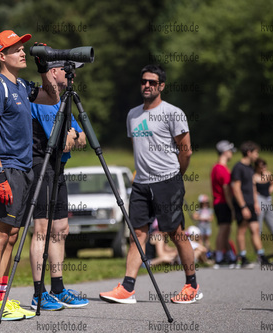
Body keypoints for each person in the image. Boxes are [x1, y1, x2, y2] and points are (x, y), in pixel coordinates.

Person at [99, 64, 202, 305]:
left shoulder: (173, 113)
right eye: (144, 81)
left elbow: (186, 151)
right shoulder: (133, 114)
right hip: (141, 184)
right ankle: (127, 288)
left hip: (168, 181)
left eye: (152, 82)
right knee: (137, 233)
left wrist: (176, 176)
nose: (147, 85)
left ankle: (192, 285)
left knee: (175, 232)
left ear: (161, 86)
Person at [0, 30, 59, 321]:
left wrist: (44, 68)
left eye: (23, 48)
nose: (23, 52)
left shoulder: (22, 86)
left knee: (12, 235)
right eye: (16, 49)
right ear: (2, 56)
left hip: (24, 169)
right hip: (7, 169)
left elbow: (52, 97)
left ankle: (2, 299)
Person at [29, 61, 88, 310]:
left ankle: (58, 287)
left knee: (61, 228)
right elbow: (62, 142)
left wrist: (72, 136)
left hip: (58, 168)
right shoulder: (41, 100)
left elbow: (82, 138)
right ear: (53, 72)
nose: (72, 75)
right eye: (67, 70)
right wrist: (71, 136)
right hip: (41, 166)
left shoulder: (64, 102)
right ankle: (38, 292)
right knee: (42, 227)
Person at [231, 141, 270, 268]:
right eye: (255, 152)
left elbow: (252, 186)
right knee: (242, 230)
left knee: (255, 229)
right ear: (249, 152)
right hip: (242, 204)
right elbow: (236, 188)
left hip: (252, 204)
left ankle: (261, 256)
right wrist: (243, 207)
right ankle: (242, 257)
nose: (257, 155)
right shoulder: (238, 167)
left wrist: (256, 203)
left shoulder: (250, 168)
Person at [211, 140, 237, 268]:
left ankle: (230, 256)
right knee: (223, 230)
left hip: (219, 203)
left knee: (226, 230)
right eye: (230, 151)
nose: (232, 154)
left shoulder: (216, 167)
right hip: (223, 203)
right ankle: (219, 257)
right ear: (225, 152)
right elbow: (226, 191)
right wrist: (232, 207)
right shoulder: (222, 169)